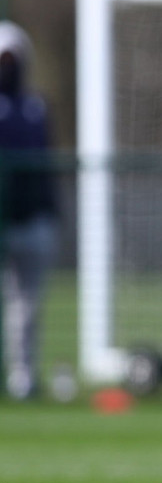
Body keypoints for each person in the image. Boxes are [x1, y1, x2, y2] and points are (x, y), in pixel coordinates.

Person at [0, 22, 59, 401]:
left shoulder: (35, 107)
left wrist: (50, 210)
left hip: (32, 220)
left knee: (27, 306)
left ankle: (23, 376)